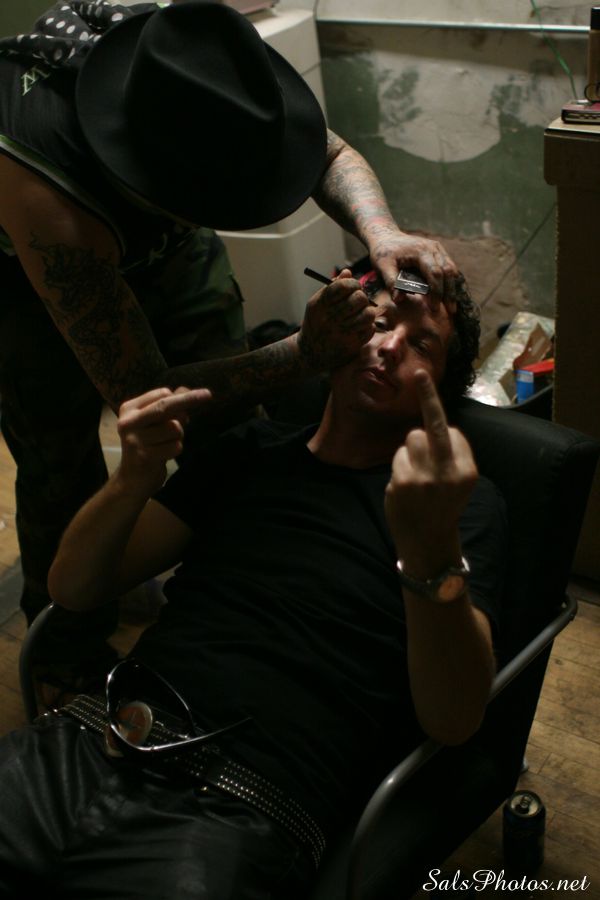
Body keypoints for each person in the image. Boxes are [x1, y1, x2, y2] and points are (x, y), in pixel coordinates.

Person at [0, 272, 507, 898]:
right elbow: (73, 588)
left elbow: (454, 719)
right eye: (376, 323)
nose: (388, 346)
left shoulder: (460, 505)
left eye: (422, 344)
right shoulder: (250, 450)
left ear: (445, 391)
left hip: (238, 807)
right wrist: (133, 476)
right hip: (89, 743)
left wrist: (429, 549)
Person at [0, 0, 461, 687]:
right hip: (28, 283)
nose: (387, 342)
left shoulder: (203, 75)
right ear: (154, 180)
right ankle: (65, 652)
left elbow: (332, 152)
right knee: (60, 465)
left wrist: (382, 232)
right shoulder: (46, 197)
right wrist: (301, 356)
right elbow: (146, 398)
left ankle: (217, 576)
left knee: (235, 430)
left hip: (154, 224)